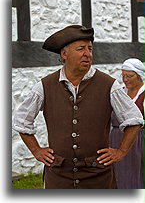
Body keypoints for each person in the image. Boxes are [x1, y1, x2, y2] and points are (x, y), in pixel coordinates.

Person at [12, 25, 143, 189]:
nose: (87, 54)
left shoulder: (109, 85)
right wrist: (36, 150)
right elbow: (21, 121)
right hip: (59, 177)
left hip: (98, 177)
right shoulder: (45, 86)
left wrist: (121, 151)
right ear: (64, 54)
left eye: (90, 48)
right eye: (81, 49)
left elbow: (134, 119)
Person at [110, 58, 144, 189]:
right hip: (116, 140)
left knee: (136, 174)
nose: (125, 79)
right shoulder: (120, 93)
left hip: (138, 142)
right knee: (119, 175)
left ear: (139, 75)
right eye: (123, 75)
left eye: (129, 76)